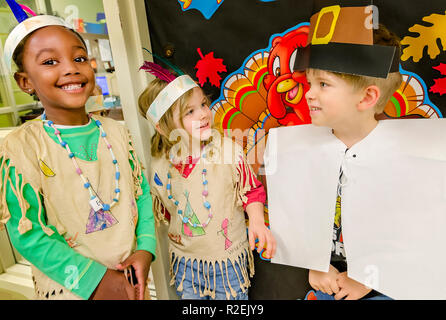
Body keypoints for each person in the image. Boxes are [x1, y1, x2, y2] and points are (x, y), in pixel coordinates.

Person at [0, 14, 156, 300]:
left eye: (80, 58)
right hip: (73, 290)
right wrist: (96, 281)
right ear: (25, 81)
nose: (71, 69)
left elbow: (141, 194)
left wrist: (145, 249)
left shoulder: (117, 133)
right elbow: (28, 232)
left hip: (131, 283)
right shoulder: (21, 148)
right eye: (49, 62)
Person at [138, 69, 276, 300]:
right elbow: (163, 207)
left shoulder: (227, 151)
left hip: (227, 262)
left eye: (203, 104)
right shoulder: (160, 161)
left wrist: (257, 221)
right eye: (190, 111)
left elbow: (251, 190)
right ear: (162, 127)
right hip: (185, 262)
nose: (203, 114)